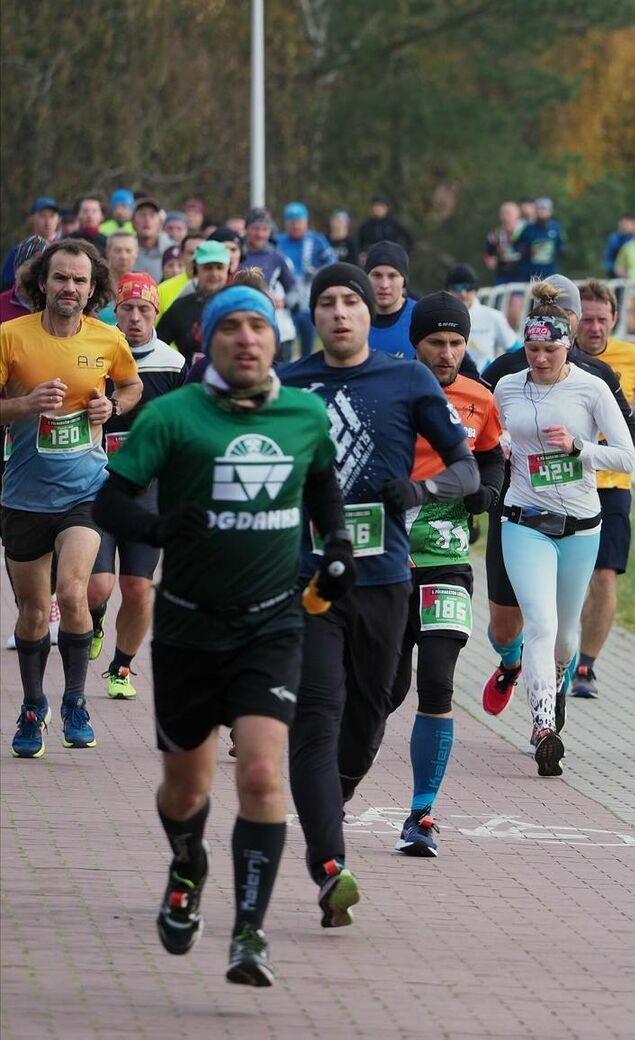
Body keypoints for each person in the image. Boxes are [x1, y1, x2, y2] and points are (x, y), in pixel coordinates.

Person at [92, 284, 354, 986]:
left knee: (264, 772)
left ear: (275, 340)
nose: (247, 339)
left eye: (258, 328)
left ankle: (249, 930)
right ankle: (187, 863)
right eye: (232, 327)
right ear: (209, 342)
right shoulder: (173, 415)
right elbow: (109, 499)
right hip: (185, 625)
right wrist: (158, 529)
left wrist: (337, 545)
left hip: (271, 622)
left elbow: (324, 483)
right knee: (186, 790)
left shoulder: (303, 413)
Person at [281, 266, 478, 923]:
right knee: (318, 708)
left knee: (373, 710)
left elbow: (469, 469)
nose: (340, 313)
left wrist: (421, 491)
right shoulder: (290, 383)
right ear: (314, 315)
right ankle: (329, 863)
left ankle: (327, 810)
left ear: (371, 316)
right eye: (327, 303)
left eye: (351, 303)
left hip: (387, 579)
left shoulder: (408, 379)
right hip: (309, 579)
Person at [478, 276, 635, 738]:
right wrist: (501, 446)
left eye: (550, 351)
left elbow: (627, 456)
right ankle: (543, 726)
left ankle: (557, 683)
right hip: (522, 519)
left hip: (581, 524)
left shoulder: (592, 386)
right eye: (533, 351)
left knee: (565, 635)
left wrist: (579, 448)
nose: (542, 359)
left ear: (567, 345)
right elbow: (484, 434)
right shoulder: (506, 383)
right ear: (525, 345)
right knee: (536, 625)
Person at [2, 240, 142, 758]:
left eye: (80, 281)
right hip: (22, 496)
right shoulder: (11, 337)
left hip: (86, 490)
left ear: (92, 287)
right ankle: (33, 705)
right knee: (35, 612)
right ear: (43, 282)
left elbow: (131, 387)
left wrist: (111, 404)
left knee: (73, 591)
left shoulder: (107, 338)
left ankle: (76, 701)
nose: (70, 289)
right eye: (61, 278)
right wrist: (25, 403)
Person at [386, 291, 504, 855]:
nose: (447, 352)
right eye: (437, 342)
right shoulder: (387, 387)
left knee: (437, 680)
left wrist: (489, 491)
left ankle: (422, 814)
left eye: (457, 342)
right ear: (416, 343)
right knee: (384, 689)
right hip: (384, 555)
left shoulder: (479, 397)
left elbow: (490, 456)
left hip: (447, 557)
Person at [86, 274, 187, 698]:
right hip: (98, 479)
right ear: (116, 311)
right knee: (98, 585)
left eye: (144, 309)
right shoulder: (97, 352)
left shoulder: (174, 365)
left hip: (148, 491)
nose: (134, 317)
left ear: (156, 314)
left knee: (138, 587)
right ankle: (93, 620)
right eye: (126, 308)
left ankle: (121, 668)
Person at [571, 280, 635, 700]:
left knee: (605, 576)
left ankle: (586, 666)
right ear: (574, 320)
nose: (594, 327)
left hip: (611, 485)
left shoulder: (630, 356)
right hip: (564, 481)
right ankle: (552, 651)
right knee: (565, 579)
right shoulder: (557, 356)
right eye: (586, 319)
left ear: (613, 319)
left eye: (601, 319)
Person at [155, 240, 232, 363]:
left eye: (219, 267)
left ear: (228, 269)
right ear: (196, 268)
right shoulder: (180, 308)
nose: (214, 273)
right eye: (208, 268)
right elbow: (157, 346)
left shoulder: (238, 306)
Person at [276, 201, 335, 359]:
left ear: (306, 221)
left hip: (309, 302)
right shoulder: (278, 241)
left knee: (308, 348)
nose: (296, 226)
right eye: (292, 222)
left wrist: (317, 273)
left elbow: (331, 262)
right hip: (286, 303)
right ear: (286, 223)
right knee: (285, 342)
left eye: (299, 222)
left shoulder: (316, 240)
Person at [240, 208, 298, 359]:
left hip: (279, 330)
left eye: (265, 229)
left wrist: (284, 302)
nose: (260, 234)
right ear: (246, 229)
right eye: (255, 229)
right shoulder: (237, 255)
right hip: (244, 328)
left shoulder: (277, 258)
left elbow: (294, 292)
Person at [445, 262, 518, 370]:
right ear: (448, 290)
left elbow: (516, 351)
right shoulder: (439, 317)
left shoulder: (493, 316)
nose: (463, 294)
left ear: (476, 289)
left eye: (468, 287)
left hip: (483, 382)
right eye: (457, 288)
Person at [364, 242, 416, 359]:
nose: (384, 285)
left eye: (392, 276)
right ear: (366, 278)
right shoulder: (352, 317)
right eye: (377, 275)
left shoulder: (420, 317)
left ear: (404, 281)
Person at [1, 198, 60, 290]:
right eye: (42, 216)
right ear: (31, 218)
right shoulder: (19, 250)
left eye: (52, 216)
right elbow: (6, 285)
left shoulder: (64, 250)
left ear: (58, 219)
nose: (47, 221)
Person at [0, 237, 50, 325]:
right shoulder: (2, 304)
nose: (33, 274)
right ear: (16, 271)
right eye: (27, 264)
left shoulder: (53, 307)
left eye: (39, 267)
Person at [95, 231, 140, 326]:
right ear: (107, 252)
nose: (123, 256)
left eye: (128, 251)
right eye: (117, 251)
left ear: (136, 253)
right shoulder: (96, 285)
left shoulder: (144, 287)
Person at [157, 231, 207, 313]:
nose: (195, 258)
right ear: (182, 255)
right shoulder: (162, 290)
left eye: (201, 253)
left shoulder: (218, 287)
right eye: (191, 253)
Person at [516, 197, 565, 280]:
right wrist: (528, 251)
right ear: (535, 211)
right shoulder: (527, 228)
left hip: (550, 272)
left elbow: (561, 246)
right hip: (530, 273)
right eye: (539, 209)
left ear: (550, 211)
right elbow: (517, 246)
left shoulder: (556, 227)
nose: (542, 212)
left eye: (545, 209)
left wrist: (554, 250)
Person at [356, 194, 413, 259]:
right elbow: (359, 244)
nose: (378, 209)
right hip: (372, 258)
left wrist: (403, 254)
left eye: (381, 206)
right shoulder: (366, 226)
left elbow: (408, 239)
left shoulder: (393, 224)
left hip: (391, 258)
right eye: (376, 206)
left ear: (386, 208)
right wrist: (362, 254)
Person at [131, 194, 173, 281]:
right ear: (133, 222)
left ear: (160, 223)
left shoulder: (171, 251)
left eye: (152, 215)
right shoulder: (125, 251)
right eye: (142, 215)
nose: (147, 220)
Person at [482, 201, 524, 285]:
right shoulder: (495, 234)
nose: (506, 217)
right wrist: (490, 260)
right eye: (503, 214)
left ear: (518, 215)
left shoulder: (525, 231)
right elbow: (487, 252)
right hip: (503, 274)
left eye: (509, 214)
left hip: (522, 274)